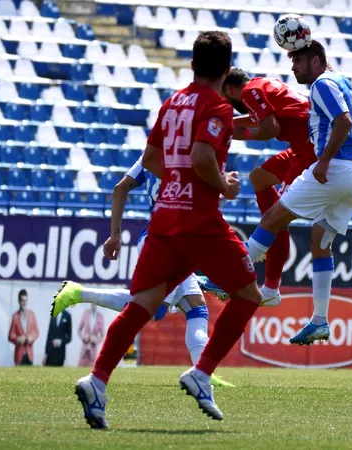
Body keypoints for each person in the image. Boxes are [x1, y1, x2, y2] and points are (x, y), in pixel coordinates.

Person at [74, 31, 262, 428]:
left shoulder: (172, 101)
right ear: (227, 70)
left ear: (192, 64)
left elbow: (151, 160)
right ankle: (201, 371)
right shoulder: (218, 107)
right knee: (248, 295)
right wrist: (222, 186)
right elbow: (201, 156)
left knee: (142, 305)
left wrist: (178, 180)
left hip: (164, 220)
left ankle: (97, 381)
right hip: (199, 221)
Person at [51, 152, 233, 387]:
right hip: (167, 239)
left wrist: (114, 236)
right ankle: (78, 293)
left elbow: (120, 188)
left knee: (196, 307)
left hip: (158, 235)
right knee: (153, 309)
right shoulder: (196, 158)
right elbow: (202, 206)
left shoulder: (153, 154)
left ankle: (203, 373)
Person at [241, 40, 352, 346]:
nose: (292, 67)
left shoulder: (322, 84)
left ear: (313, 60)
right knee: (320, 243)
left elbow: (344, 120)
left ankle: (231, 277)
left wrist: (323, 161)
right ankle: (320, 321)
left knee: (272, 218)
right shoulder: (340, 81)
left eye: (296, 61)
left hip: (333, 169)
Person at [219, 68, 318, 306]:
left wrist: (236, 130)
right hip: (301, 147)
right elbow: (253, 123)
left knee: (275, 218)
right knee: (259, 177)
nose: (227, 102)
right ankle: (268, 244)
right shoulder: (263, 84)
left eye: (225, 97)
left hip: (311, 150)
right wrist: (224, 126)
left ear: (231, 89)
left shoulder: (249, 92)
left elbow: (270, 128)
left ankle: (267, 280)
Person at [8, 289, 39, 366]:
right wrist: (18, 339)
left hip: (29, 354)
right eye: (22, 301)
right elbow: (10, 336)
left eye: (25, 301)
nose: (24, 303)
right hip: (19, 354)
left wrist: (32, 337)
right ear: (19, 301)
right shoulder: (15, 316)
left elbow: (37, 332)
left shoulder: (32, 314)